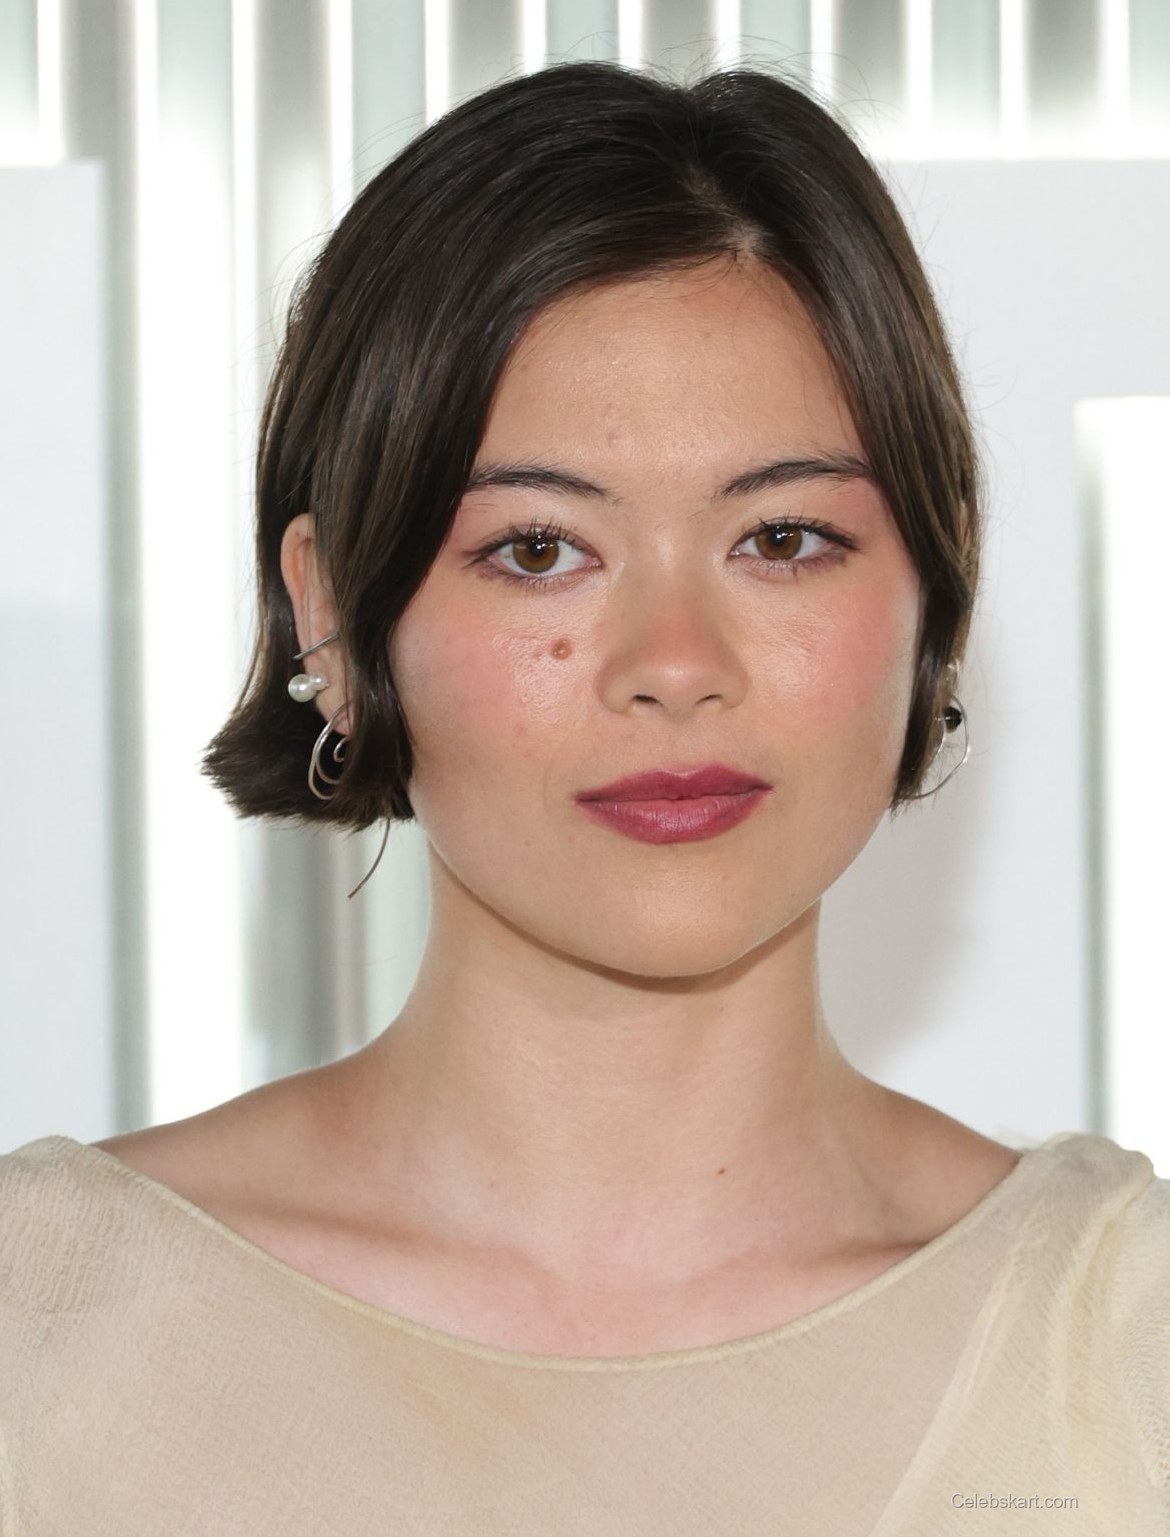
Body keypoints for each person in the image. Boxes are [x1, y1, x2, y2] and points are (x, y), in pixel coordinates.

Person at [1, 59, 1166, 1536]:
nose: (674, 665)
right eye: (540, 550)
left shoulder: (1125, 1343)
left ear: (940, 593)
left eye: (784, 538)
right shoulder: (42, 1327)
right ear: (333, 619)